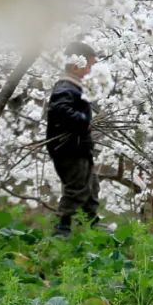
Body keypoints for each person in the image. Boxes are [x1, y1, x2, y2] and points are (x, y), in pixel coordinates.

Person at [46, 41, 100, 237]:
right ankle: (62, 227)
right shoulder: (65, 87)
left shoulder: (75, 87)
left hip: (79, 147)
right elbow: (59, 109)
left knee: (91, 185)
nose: (91, 71)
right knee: (77, 187)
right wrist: (83, 121)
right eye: (89, 66)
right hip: (69, 149)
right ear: (76, 66)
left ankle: (91, 223)